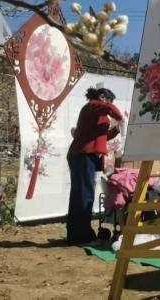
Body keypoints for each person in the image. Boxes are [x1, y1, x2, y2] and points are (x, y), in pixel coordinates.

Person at [66, 87, 123, 245]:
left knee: (79, 196)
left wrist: (115, 131)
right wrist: (118, 117)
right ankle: (83, 235)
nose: (110, 103)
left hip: (82, 156)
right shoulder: (92, 106)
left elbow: (99, 136)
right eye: (109, 100)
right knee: (85, 196)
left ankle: (75, 235)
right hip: (83, 155)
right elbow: (115, 112)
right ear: (103, 97)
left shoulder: (94, 112)